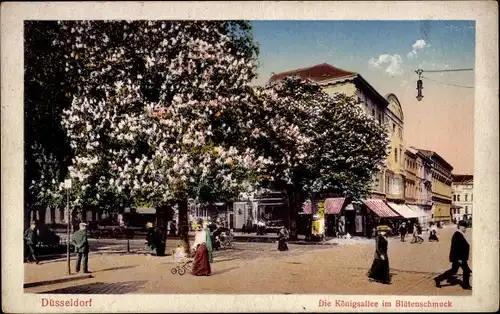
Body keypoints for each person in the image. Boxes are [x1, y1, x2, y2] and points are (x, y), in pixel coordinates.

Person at [434, 221, 472, 290]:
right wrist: (459, 259)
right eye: (464, 227)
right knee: (465, 270)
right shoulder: (457, 235)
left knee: (454, 270)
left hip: (460, 257)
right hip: (459, 257)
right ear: (460, 227)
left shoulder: (460, 234)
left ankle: (438, 279)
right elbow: (456, 248)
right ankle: (466, 285)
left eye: (465, 227)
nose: (465, 229)